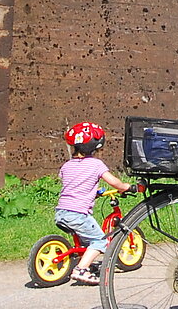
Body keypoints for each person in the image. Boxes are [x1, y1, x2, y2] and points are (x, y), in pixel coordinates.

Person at [57, 121, 135, 284]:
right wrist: (126, 187)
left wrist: (95, 192)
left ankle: (85, 261)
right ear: (95, 146)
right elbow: (114, 182)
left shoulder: (66, 166)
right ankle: (81, 270)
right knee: (100, 240)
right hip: (78, 214)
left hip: (61, 212)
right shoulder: (96, 164)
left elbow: (75, 185)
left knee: (87, 239)